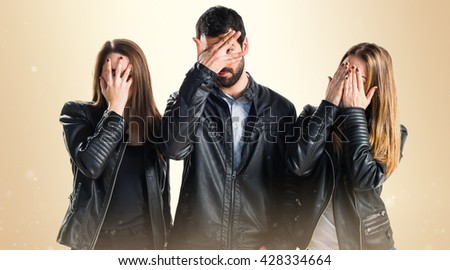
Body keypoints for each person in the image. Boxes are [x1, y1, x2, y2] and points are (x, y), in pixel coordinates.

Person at [160, 6, 296, 249]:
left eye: (229, 50)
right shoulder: (186, 99)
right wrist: (200, 74)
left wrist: (278, 245)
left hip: (255, 249)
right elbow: (174, 149)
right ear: (199, 49)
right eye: (213, 52)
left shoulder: (280, 109)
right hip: (195, 248)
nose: (221, 62)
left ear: (245, 47)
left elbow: (290, 185)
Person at [280, 42, 408, 249]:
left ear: (375, 88)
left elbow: (364, 179)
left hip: (368, 246)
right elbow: (298, 165)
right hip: (315, 247)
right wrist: (328, 107)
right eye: (344, 72)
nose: (347, 81)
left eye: (358, 78)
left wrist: (354, 113)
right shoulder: (312, 116)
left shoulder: (392, 133)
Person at [56, 39, 171, 250]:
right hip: (96, 239)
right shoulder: (77, 113)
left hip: (143, 242)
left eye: (127, 75)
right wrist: (115, 108)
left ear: (140, 78)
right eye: (113, 73)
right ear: (101, 79)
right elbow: (91, 165)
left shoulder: (154, 123)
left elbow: (162, 194)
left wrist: (167, 242)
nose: (119, 82)